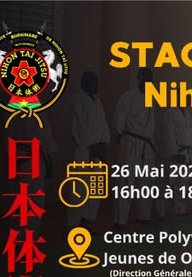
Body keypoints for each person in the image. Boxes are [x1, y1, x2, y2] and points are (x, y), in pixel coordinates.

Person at [111, 67, 157, 227]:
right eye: (145, 78)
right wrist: (121, 135)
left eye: (150, 79)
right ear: (138, 78)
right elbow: (118, 122)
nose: (148, 82)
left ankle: (144, 216)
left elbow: (151, 124)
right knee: (125, 182)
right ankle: (120, 220)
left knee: (146, 182)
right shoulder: (127, 97)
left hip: (146, 145)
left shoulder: (151, 98)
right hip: (130, 142)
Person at [67, 70, 110, 232]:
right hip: (83, 150)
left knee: (95, 188)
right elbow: (77, 126)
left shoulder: (97, 101)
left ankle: (88, 221)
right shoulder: (77, 100)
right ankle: (73, 224)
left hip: (97, 151)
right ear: (84, 83)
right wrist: (91, 145)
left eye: (96, 81)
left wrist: (104, 144)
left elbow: (104, 125)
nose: (95, 84)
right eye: (92, 81)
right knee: (79, 188)